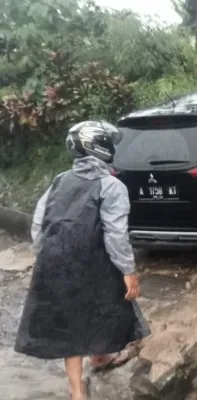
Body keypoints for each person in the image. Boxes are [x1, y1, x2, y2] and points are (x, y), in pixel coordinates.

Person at [14, 121, 150, 400]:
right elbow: (115, 234)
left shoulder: (60, 180)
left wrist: (49, 257)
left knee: (70, 325)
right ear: (100, 146)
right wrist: (128, 270)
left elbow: (38, 225)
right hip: (95, 263)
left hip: (57, 262)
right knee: (110, 303)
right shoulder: (111, 186)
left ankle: (77, 392)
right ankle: (100, 355)